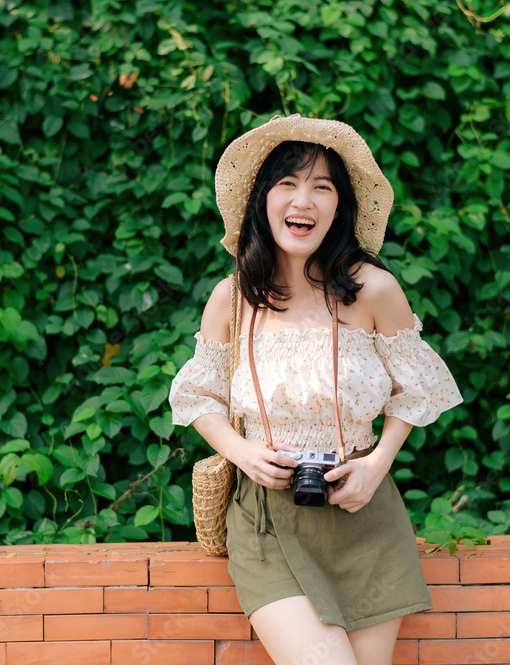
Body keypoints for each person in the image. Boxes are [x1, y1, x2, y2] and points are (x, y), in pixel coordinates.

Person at [169, 115, 464, 665]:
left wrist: (377, 463)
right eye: (287, 183)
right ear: (262, 200)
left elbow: (417, 389)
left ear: (339, 207)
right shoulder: (231, 299)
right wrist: (242, 453)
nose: (302, 200)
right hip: (264, 516)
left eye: (321, 187)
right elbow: (196, 397)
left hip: (360, 513)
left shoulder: (374, 290)